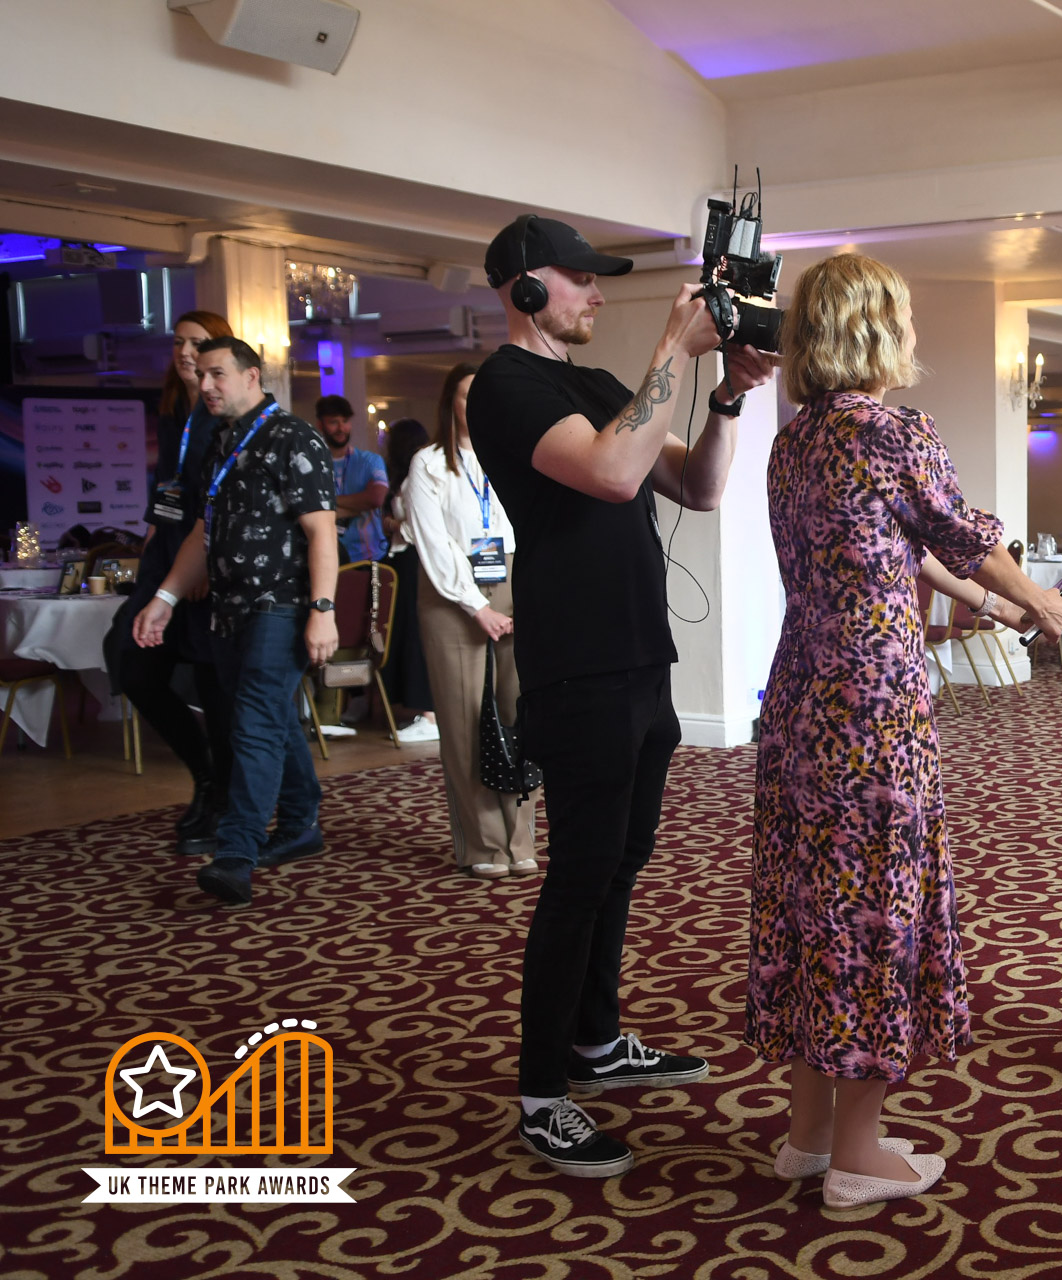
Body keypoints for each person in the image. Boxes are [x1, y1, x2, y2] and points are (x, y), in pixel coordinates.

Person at [748, 253, 1062, 1210]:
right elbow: (962, 530)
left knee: (813, 904)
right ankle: (859, 1151)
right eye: (906, 317)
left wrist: (987, 601)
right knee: (871, 909)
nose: (916, 334)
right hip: (873, 708)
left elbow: (901, 543)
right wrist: (1039, 601)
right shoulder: (896, 433)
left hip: (800, 698)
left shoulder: (794, 443)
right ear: (876, 331)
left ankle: (808, 1135)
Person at [465, 214, 775, 1178]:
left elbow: (697, 487)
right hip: (578, 664)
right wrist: (672, 349)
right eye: (580, 278)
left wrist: (726, 398)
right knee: (578, 876)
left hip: (641, 657)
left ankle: (595, 1042)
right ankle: (541, 1094)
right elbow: (607, 472)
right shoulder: (505, 387)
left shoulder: (600, 386)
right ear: (524, 287)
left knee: (620, 865)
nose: (597, 293)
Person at [134, 337, 340, 907]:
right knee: (270, 717)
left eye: (217, 374)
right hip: (228, 610)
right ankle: (300, 823)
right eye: (201, 375)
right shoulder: (220, 442)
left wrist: (323, 611)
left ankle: (236, 853)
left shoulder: (293, 437)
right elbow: (203, 533)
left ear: (252, 376)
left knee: (252, 724)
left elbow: (322, 532)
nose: (205, 385)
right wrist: (166, 597)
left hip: (281, 604)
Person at [404, 362, 534, 877]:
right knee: (465, 722)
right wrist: (475, 606)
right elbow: (433, 544)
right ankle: (484, 846)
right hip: (451, 592)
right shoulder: (429, 463)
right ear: (450, 404)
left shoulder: (514, 454)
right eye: (467, 395)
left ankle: (520, 842)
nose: (478, 404)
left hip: (513, 583)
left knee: (519, 715)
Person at [114, 309, 235, 856]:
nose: (186, 352)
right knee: (134, 667)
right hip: (164, 559)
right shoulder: (172, 411)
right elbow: (166, 490)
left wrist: (200, 565)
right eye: (179, 342)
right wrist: (149, 548)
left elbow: (218, 501)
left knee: (214, 689)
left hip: (204, 564)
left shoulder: (222, 414)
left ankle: (224, 801)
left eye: (198, 343)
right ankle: (204, 775)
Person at [377, 417, 438, 743]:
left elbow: (417, 527)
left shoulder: (418, 474)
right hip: (401, 561)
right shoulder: (405, 476)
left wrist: (391, 524)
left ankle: (429, 714)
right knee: (400, 633)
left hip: (414, 560)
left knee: (416, 632)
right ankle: (416, 709)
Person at [316, 394, 389, 565]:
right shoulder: (313, 465)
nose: (341, 428)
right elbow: (308, 507)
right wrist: (357, 505)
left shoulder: (370, 461)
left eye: (345, 421)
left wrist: (328, 502)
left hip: (370, 556)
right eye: (333, 422)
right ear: (320, 425)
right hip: (328, 558)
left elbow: (375, 499)